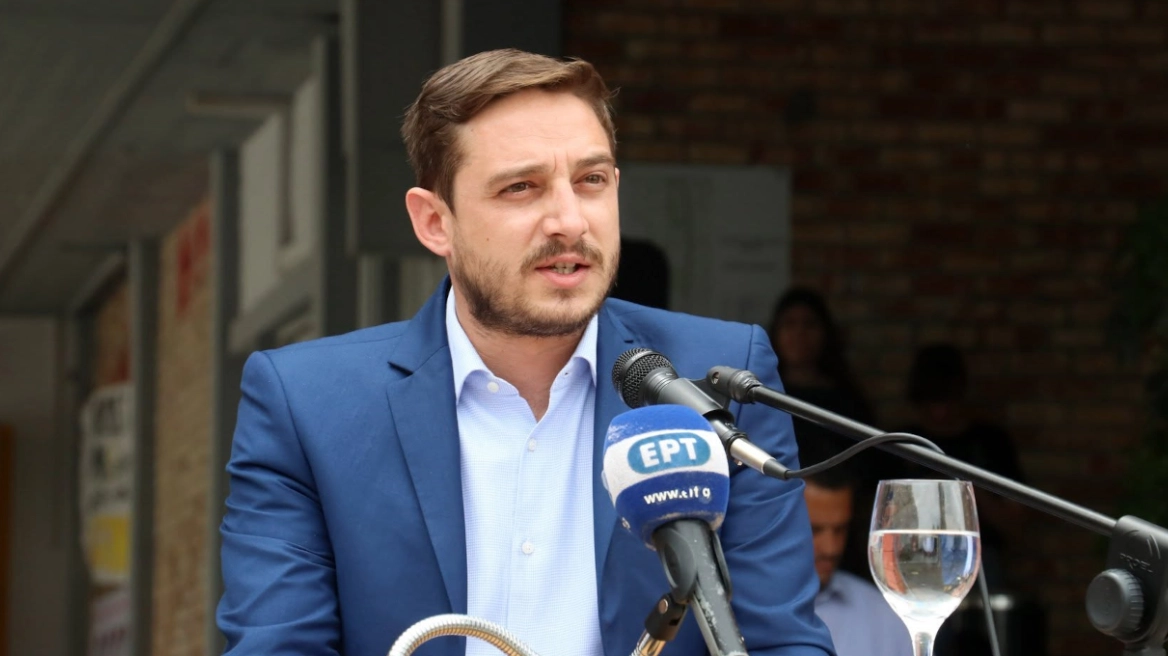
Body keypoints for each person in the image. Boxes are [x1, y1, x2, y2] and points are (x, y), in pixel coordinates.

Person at [216, 49, 834, 656]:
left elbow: (782, 641)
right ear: (435, 222)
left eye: (591, 181)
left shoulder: (717, 376)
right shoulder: (308, 405)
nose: (570, 220)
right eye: (521, 187)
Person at [768, 287, 889, 579]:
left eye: (809, 325)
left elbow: (872, 467)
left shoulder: (847, 400)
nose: (799, 334)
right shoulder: (760, 396)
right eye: (790, 324)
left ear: (826, 334)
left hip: (840, 528)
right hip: (774, 522)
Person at [899, 343, 1027, 585]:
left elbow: (1016, 525)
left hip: (981, 563)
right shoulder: (901, 444)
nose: (939, 412)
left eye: (946, 399)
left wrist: (962, 494)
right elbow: (876, 520)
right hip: (912, 559)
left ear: (961, 394)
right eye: (931, 400)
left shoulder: (989, 442)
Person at [804, 466, 911, 656]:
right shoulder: (747, 608)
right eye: (814, 530)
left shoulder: (888, 617)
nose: (831, 548)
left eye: (840, 529)